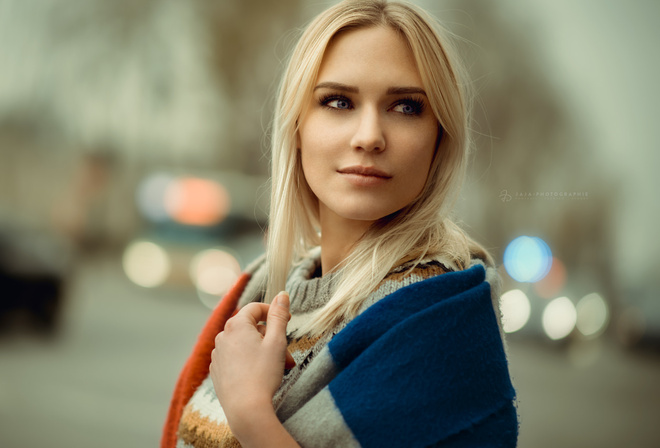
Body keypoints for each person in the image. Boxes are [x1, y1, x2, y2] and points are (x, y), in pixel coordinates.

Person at [162, 1, 518, 447]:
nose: (369, 136)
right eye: (338, 101)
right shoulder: (258, 290)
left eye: (406, 107)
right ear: (297, 127)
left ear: (439, 138)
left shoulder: (442, 322)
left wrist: (252, 414)